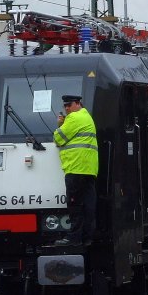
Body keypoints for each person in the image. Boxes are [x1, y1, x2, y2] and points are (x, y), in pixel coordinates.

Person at [53, 94, 98, 244]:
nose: (67, 108)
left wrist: (60, 125)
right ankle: (87, 238)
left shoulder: (74, 118)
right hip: (89, 169)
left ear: (78, 103)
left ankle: (74, 238)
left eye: (69, 105)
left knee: (75, 205)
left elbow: (58, 138)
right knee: (88, 205)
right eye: (65, 106)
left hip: (76, 167)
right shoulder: (87, 117)